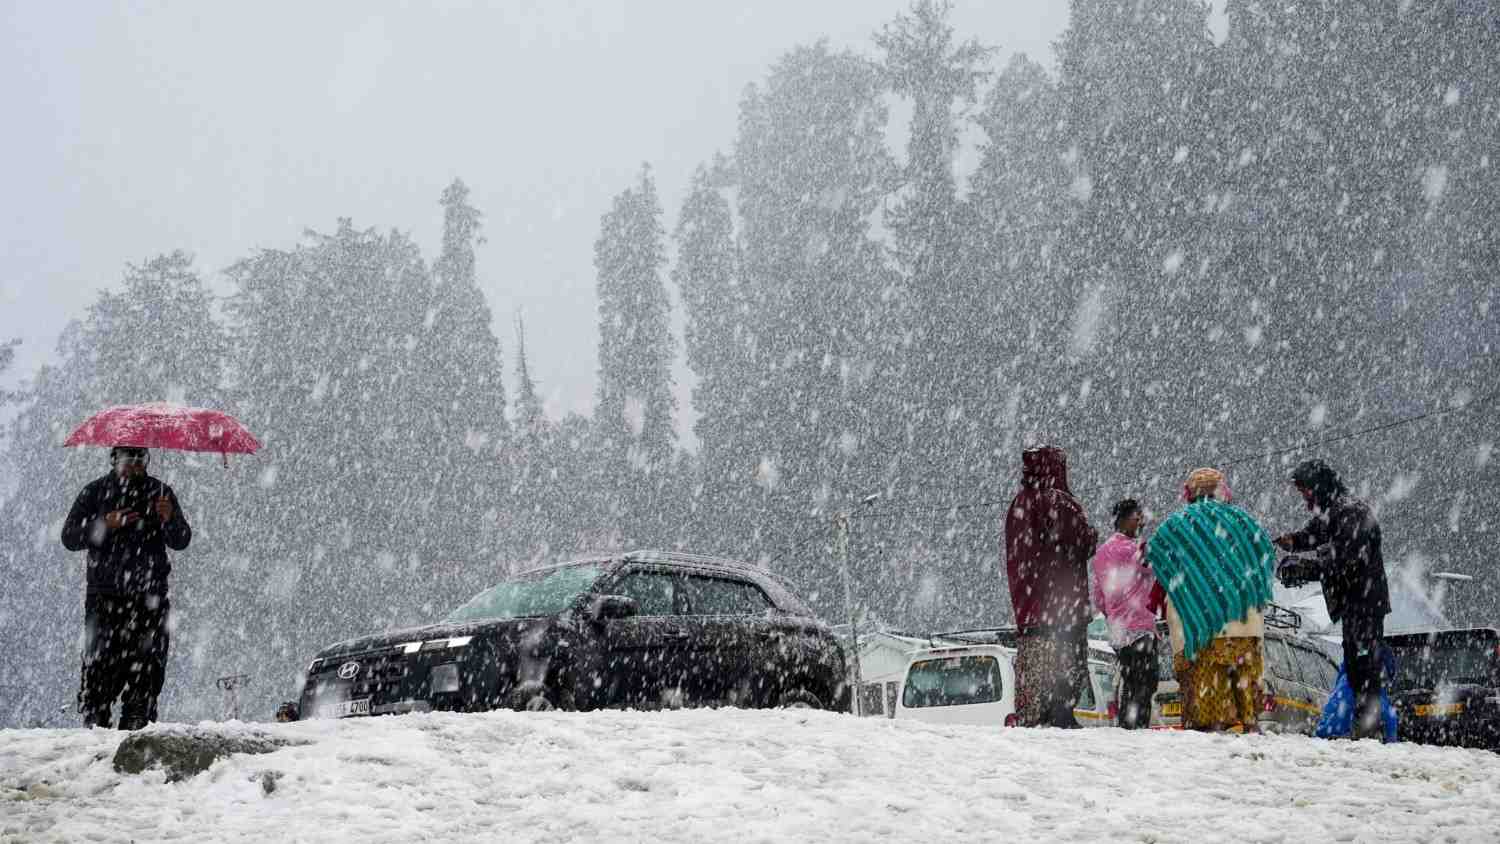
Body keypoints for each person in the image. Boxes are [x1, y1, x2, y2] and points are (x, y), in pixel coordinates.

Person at [61, 446, 191, 729]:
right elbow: (69, 537)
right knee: (98, 676)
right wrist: (104, 524)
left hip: (149, 599)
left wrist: (169, 518)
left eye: (139, 459)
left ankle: (137, 730)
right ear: (114, 460)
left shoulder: (161, 493)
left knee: (146, 673)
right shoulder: (95, 492)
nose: (133, 465)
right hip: (104, 598)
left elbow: (181, 539)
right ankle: (96, 735)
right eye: (126, 459)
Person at [1148, 468, 1274, 733]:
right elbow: (1265, 553)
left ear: (1190, 493)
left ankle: (1213, 744)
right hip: (1242, 621)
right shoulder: (1243, 522)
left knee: (1207, 709)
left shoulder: (1176, 526)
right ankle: (1249, 731)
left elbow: (1154, 555)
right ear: (1221, 489)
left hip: (1195, 625)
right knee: (1245, 704)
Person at [1274, 459, 1390, 740]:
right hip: (1354, 603)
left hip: (1364, 603)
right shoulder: (1334, 511)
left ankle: (1370, 728)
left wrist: (1306, 566)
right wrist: (1291, 541)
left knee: (1364, 668)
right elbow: (1314, 535)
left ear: (1320, 487)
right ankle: (1365, 727)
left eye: (1306, 493)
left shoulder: (1351, 511)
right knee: (1355, 666)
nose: (1305, 500)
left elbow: (1344, 557)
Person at [1005, 445, 1098, 728]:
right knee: (1067, 670)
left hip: (1030, 611)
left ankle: (1037, 717)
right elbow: (1082, 540)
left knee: (1035, 677)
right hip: (1063, 608)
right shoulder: (1059, 502)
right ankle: (1060, 714)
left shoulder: (1018, 503)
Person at [1089, 498, 1165, 729]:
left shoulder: (1101, 554)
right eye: (1137, 517)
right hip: (1140, 627)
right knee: (1145, 683)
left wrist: (1114, 613)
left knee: (1130, 681)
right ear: (1123, 520)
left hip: (1118, 631)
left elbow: (1098, 596)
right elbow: (1155, 569)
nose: (1141, 521)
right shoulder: (1134, 550)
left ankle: (1127, 727)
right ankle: (1136, 729)